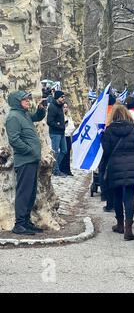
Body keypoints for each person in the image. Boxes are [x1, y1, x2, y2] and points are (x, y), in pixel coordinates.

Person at [101, 104, 134, 241]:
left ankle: (120, 224)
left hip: (115, 166)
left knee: (118, 197)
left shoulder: (108, 131)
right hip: (132, 166)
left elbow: (106, 151)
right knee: (129, 197)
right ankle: (128, 229)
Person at [5, 91, 47, 235]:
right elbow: (14, 140)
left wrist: (41, 109)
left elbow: (37, 116)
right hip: (25, 160)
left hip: (32, 160)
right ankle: (19, 224)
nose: (28, 102)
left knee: (30, 193)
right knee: (24, 193)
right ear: (17, 101)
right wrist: (30, 150)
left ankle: (26, 222)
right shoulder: (13, 117)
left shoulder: (24, 114)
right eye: (25, 100)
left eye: (28, 99)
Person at [47, 90, 67, 176]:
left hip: (62, 133)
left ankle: (54, 167)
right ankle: (56, 170)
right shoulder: (52, 107)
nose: (63, 98)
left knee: (64, 150)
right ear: (57, 97)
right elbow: (49, 121)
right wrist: (58, 125)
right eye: (62, 97)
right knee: (55, 152)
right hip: (55, 133)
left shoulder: (60, 106)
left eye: (64, 97)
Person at [60, 103, 75, 176]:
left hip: (68, 136)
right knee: (64, 152)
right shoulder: (61, 116)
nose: (65, 108)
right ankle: (62, 168)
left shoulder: (69, 116)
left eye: (66, 107)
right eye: (64, 107)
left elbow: (71, 125)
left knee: (68, 153)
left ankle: (67, 169)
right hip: (64, 136)